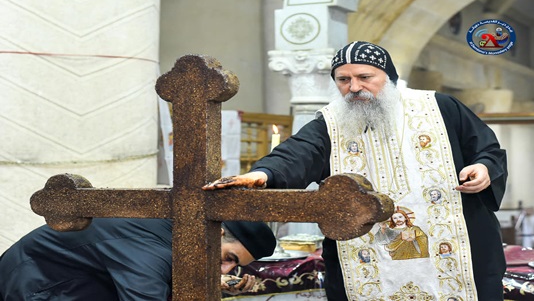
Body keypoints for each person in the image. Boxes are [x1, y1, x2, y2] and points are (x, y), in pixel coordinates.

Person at [203, 41, 507, 300]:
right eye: (343, 79)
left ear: (388, 76)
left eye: (365, 77)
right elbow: (297, 154)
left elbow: (487, 150)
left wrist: (483, 169)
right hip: (367, 260)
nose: (354, 87)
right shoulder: (331, 122)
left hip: (455, 250)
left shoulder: (439, 106)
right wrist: (263, 175)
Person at [0, 218, 276, 300]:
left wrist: (211, 282)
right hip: (38, 287)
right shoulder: (152, 251)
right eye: (228, 257)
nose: (227, 268)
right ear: (219, 230)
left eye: (235, 265)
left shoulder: (181, 230)